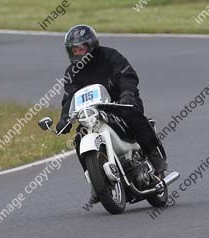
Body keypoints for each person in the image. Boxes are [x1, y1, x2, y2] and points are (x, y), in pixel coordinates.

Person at [56, 25, 168, 204]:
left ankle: (153, 154)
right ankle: (95, 181)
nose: (78, 53)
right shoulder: (71, 72)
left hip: (119, 102)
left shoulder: (109, 56)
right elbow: (69, 97)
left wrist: (127, 93)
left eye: (81, 49)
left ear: (91, 47)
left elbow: (127, 74)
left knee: (131, 115)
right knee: (79, 137)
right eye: (74, 50)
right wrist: (64, 118)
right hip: (92, 112)